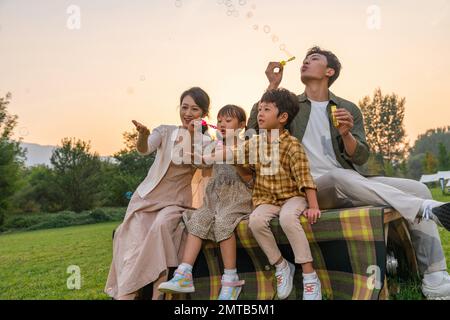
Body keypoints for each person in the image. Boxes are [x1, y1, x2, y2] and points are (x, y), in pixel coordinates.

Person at [247, 46, 450, 299]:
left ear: (329, 71)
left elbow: (361, 155)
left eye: (314, 59)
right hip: (310, 188)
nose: (305, 62)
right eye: (305, 59)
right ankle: (423, 208)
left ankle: (435, 275)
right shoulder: (291, 107)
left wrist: (346, 134)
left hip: (352, 180)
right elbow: (255, 128)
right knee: (338, 177)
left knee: (418, 188)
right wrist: (272, 85)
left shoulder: (348, 108)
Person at [105, 87, 211, 300]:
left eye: (194, 109)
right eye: (184, 107)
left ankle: (157, 295)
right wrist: (142, 136)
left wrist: (193, 136)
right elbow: (144, 149)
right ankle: (128, 292)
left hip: (177, 202)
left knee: (162, 227)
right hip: (147, 199)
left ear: (204, 114)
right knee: (132, 241)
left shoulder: (206, 141)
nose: (188, 113)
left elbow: (204, 162)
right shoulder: (164, 131)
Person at [158, 105, 254, 300]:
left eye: (228, 121)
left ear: (242, 125)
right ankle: (183, 274)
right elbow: (202, 162)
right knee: (199, 218)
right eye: (219, 121)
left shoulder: (246, 146)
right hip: (214, 198)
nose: (222, 125)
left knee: (223, 222)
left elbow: (250, 177)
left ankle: (230, 280)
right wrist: (192, 150)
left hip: (237, 197)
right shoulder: (214, 145)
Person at [238, 88, 322, 300]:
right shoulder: (254, 143)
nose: (260, 113)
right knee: (255, 221)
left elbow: (305, 178)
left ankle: (310, 276)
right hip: (268, 199)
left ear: (283, 117)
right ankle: (281, 265)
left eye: (266, 109)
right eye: (259, 108)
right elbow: (238, 158)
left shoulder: (292, 145)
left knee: (287, 218)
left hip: (293, 196)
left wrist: (313, 206)